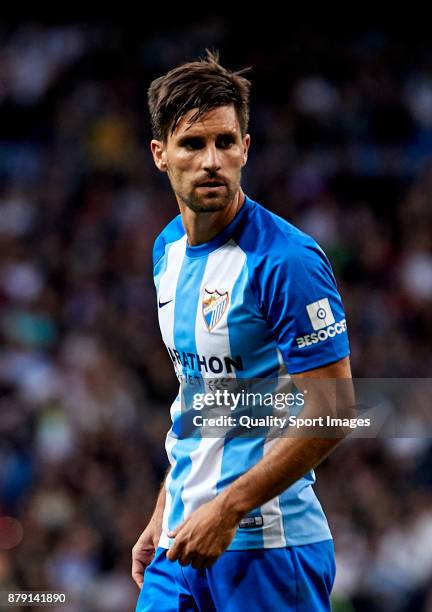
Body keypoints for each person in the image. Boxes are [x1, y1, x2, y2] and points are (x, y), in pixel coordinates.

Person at [132, 50, 352, 612]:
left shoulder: (287, 261)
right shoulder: (167, 252)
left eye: (226, 143)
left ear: (245, 149)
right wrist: (165, 509)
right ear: (160, 155)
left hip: (270, 549)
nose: (212, 160)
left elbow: (335, 411)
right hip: (182, 543)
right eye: (192, 144)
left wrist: (229, 507)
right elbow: (196, 399)